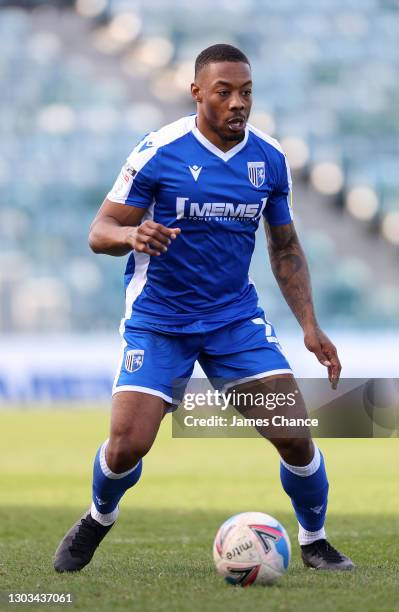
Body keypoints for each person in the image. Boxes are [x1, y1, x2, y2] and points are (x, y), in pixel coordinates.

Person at [53, 44, 354, 573]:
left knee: (295, 435)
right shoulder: (159, 151)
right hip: (160, 319)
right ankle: (98, 517)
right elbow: (98, 232)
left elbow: (284, 247)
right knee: (127, 447)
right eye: (224, 92)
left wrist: (310, 326)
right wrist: (131, 233)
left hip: (233, 319)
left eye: (246, 93)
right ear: (197, 93)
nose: (238, 103)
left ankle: (315, 540)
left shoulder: (269, 158)